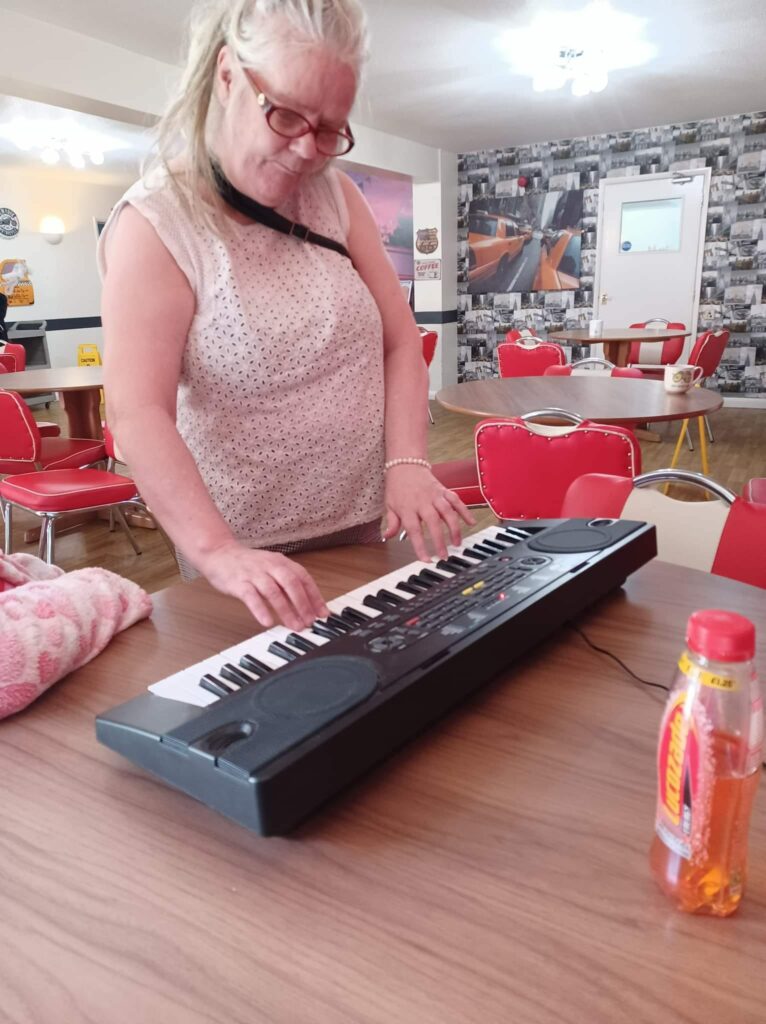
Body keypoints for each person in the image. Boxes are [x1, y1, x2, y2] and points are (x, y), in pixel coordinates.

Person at [99, 0, 474, 633]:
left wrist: (408, 462)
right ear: (227, 75)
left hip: (365, 517)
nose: (307, 151)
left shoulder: (338, 195)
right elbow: (138, 413)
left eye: (331, 129)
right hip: (245, 549)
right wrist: (217, 551)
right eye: (288, 115)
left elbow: (399, 342)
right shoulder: (156, 224)